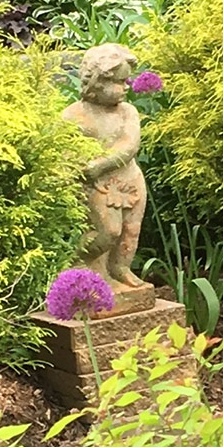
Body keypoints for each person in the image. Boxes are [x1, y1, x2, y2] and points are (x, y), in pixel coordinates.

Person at [62, 43, 149, 292]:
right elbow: (62, 149)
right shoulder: (74, 115)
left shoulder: (128, 112)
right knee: (108, 232)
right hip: (97, 185)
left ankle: (121, 268)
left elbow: (130, 145)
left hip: (130, 179)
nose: (126, 87)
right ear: (97, 82)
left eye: (126, 81)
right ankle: (82, 265)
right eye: (119, 82)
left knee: (131, 231)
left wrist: (101, 164)